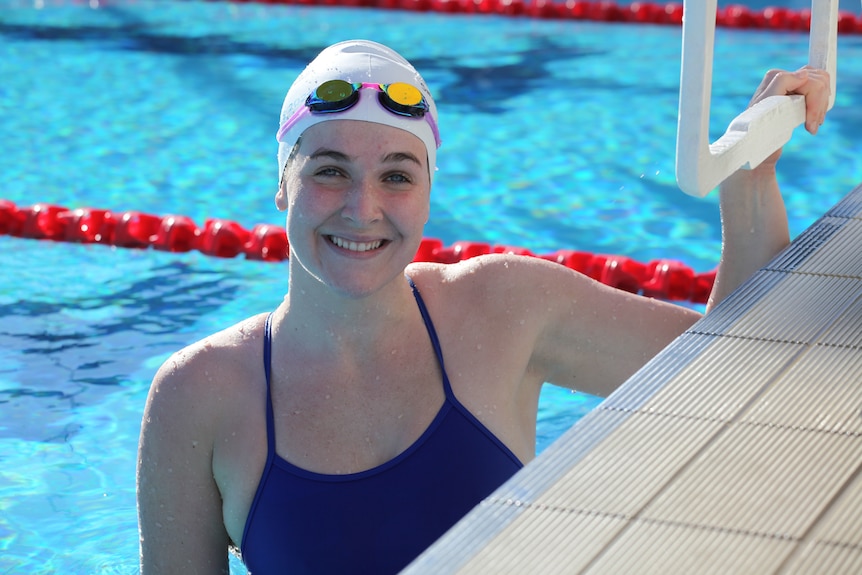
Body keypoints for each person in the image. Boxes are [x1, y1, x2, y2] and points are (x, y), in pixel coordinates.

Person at [136, 40, 831, 575]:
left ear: (428, 193)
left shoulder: (504, 309)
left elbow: (732, 369)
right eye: (328, 170)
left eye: (396, 176)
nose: (363, 207)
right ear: (281, 186)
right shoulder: (199, 395)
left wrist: (748, 177)